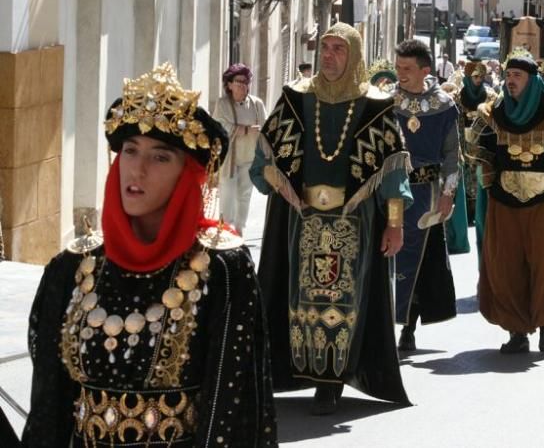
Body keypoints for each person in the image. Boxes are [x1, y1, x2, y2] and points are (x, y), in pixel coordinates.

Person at [22, 63, 276, 447]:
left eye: (160, 157)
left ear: (187, 174)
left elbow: (232, 406)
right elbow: (48, 406)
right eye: (130, 150)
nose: (137, 170)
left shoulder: (221, 269)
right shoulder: (73, 267)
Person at [251, 23, 412, 415]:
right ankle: (298, 372)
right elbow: (266, 158)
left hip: (353, 222)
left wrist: (394, 223)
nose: (329, 56)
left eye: (339, 49)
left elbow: (392, 172)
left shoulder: (376, 106)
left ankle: (331, 381)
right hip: (301, 221)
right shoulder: (295, 98)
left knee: (343, 304)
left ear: (353, 55)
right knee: (297, 301)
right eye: (325, 48)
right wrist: (275, 177)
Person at [469, 48, 544, 353]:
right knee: (506, 266)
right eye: (507, 75)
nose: (510, 81)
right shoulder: (493, 112)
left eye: (517, 75)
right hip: (504, 201)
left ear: (532, 79)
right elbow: (484, 154)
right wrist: (489, 185)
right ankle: (517, 331)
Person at [392, 40, 459, 351]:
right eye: (398, 68)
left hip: (427, 197)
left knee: (419, 264)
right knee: (388, 261)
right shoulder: (386, 102)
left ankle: (409, 326)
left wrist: (448, 194)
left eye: (407, 69)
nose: (400, 74)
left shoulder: (444, 106)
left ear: (425, 70)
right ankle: (385, 322)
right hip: (391, 196)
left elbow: (451, 155)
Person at [211, 63, 268, 234]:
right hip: (229, 159)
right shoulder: (222, 104)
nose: (244, 85)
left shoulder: (257, 104)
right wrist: (243, 130)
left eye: (246, 81)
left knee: (244, 195)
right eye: (239, 81)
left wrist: (261, 133)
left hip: (250, 157)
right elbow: (218, 127)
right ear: (229, 84)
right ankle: (225, 229)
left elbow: (266, 127)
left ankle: (239, 230)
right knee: (227, 193)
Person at [456, 60, 496, 254]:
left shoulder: (490, 95)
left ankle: (477, 210)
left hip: (482, 140)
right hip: (463, 139)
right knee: (465, 174)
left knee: (479, 174)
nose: (479, 80)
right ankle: (467, 212)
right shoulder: (459, 95)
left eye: (481, 76)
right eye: (475, 77)